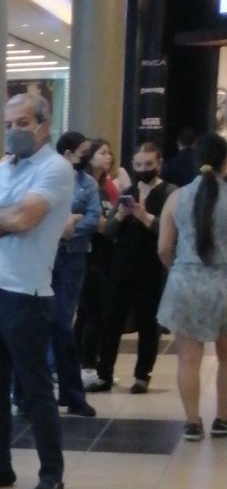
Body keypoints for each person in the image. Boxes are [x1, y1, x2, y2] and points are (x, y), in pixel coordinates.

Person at [0, 93, 73, 489]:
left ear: (43, 125)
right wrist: (1, 216)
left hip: (28, 293)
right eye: (7, 125)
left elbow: (27, 218)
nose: (13, 132)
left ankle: (51, 474)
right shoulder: (0, 171)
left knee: (35, 388)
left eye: (22, 123)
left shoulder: (56, 169)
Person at [86, 142, 176, 395]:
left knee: (149, 323)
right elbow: (109, 231)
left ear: (159, 164)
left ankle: (142, 375)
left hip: (152, 268)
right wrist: (121, 216)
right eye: (138, 164)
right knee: (111, 320)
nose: (142, 169)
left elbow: (171, 230)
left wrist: (144, 216)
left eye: (148, 164)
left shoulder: (169, 193)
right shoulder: (127, 191)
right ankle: (104, 373)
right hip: (121, 266)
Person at [157, 134, 227, 440]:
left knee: (188, 359)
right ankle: (223, 419)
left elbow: (163, 247)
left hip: (186, 282)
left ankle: (192, 422)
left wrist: (177, 269)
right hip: (224, 281)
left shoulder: (176, 198)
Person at [50, 131, 100, 418]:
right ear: (68, 153)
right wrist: (64, 223)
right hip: (46, 258)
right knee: (46, 325)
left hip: (73, 258)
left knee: (63, 324)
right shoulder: (51, 180)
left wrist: (68, 229)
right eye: (83, 151)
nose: (88, 156)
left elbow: (92, 219)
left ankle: (71, 393)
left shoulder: (87, 183)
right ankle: (40, 391)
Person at [74, 139, 121, 381]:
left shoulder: (110, 186)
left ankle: (86, 360)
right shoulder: (84, 186)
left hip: (105, 255)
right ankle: (86, 363)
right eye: (102, 153)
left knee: (93, 310)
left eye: (109, 153)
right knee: (91, 310)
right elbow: (100, 223)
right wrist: (116, 219)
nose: (108, 157)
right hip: (88, 253)